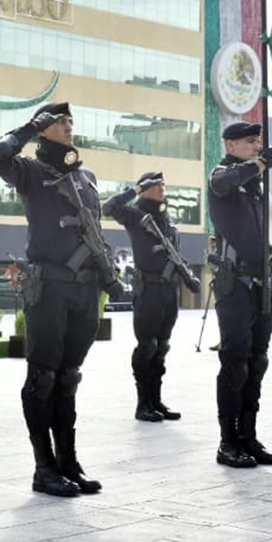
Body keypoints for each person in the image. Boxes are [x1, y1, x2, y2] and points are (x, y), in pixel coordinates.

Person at [0, 102, 121, 497]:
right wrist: (30, 127)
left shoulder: (86, 177)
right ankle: (43, 467)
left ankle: (68, 461)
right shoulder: (30, 170)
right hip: (49, 287)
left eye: (69, 121)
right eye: (58, 121)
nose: (67, 126)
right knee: (43, 377)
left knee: (68, 378)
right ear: (45, 130)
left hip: (86, 288)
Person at [207, 121, 272, 468]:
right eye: (250, 141)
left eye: (259, 142)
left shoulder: (254, 186)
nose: (257, 146)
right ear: (231, 144)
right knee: (234, 362)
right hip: (235, 283)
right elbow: (223, 182)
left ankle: (249, 435)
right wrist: (259, 164)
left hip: (264, 280)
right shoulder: (223, 175)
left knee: (257, 361)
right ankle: (228, 441)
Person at [103, 171, 195, 423]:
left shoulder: (166, 217)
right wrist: (135, 191)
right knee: (148, 346)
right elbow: (108, 207)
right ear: (145, 188)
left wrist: (188, 275)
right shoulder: (135, 214)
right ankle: (143, 404)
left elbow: (174, 252)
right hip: (149, 290)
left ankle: (156, 400)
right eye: (156, 185)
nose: (162, 188)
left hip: (169, 290)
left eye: (163, 184)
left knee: (162, 347)